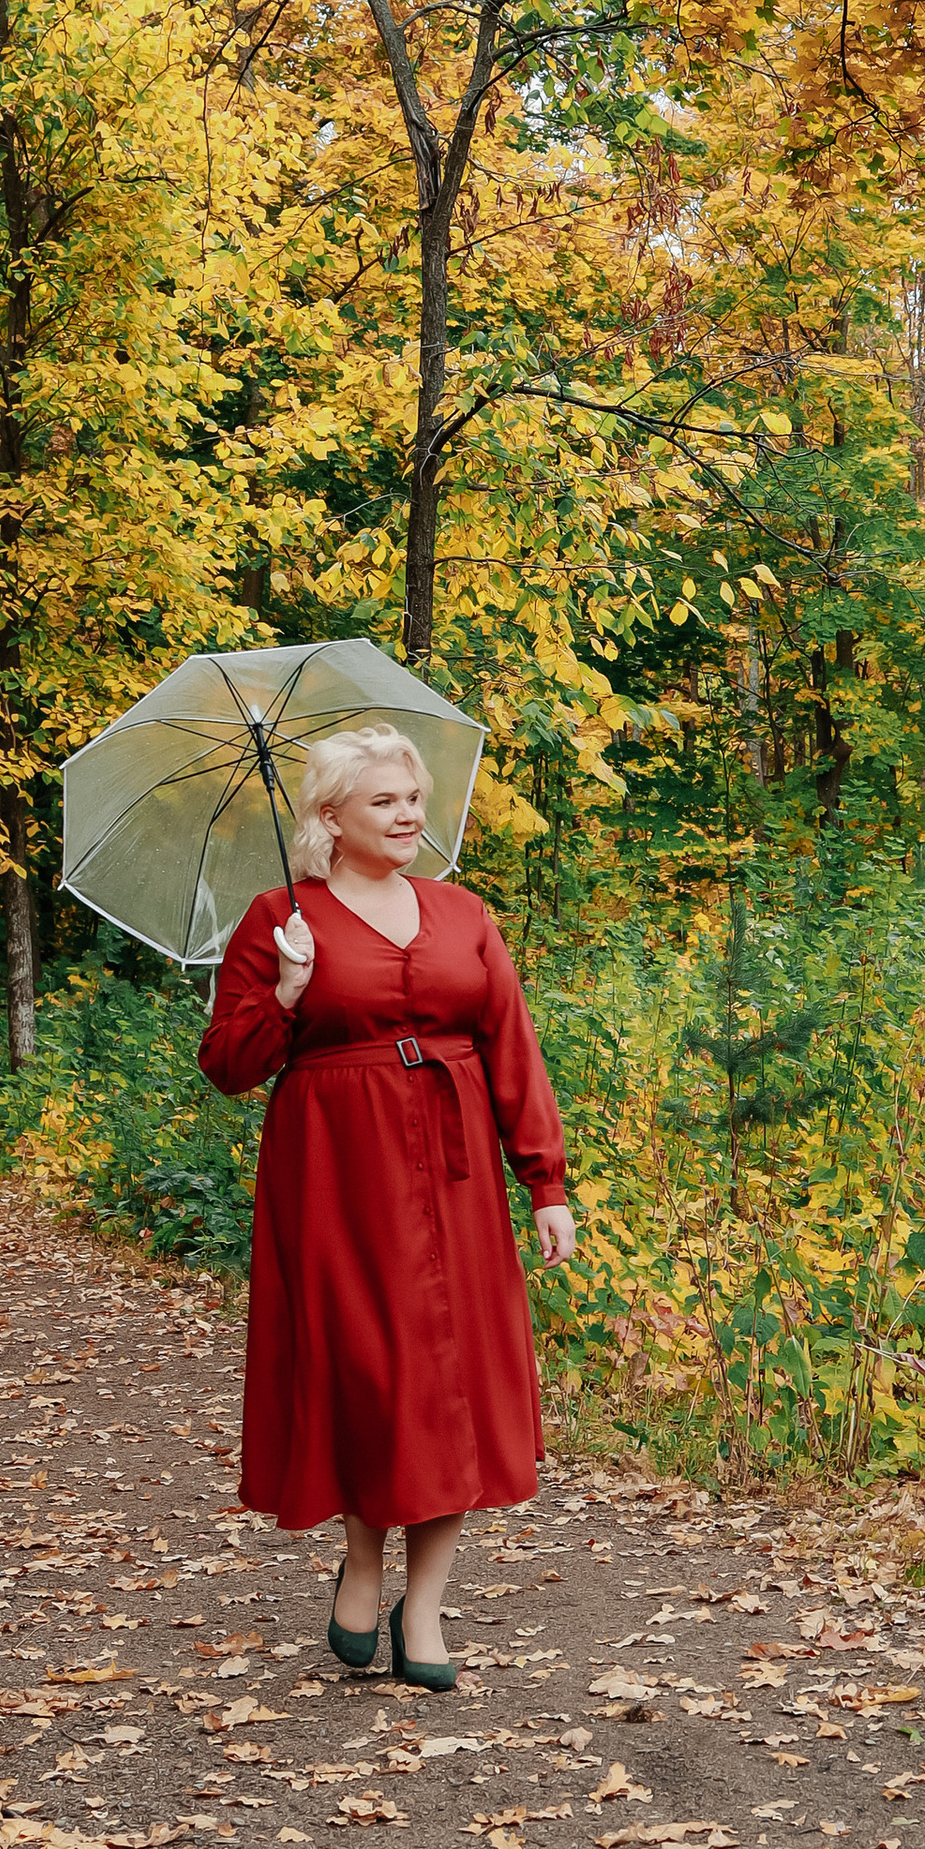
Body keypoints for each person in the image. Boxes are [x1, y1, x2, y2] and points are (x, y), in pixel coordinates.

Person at [196, 722, 577, 1689]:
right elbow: (229, 1069)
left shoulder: (464, 914)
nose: (410, 815)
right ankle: (362, 1565)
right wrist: (283, 992)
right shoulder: (281, 918)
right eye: (386, 801)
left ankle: (428, 1609)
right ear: (331, 818)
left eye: (414, 799)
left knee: (448, 1374)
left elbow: (510, 1047)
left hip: (454, 1174)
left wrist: (545, 1181)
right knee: (368, 1371)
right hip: (334, 1172)